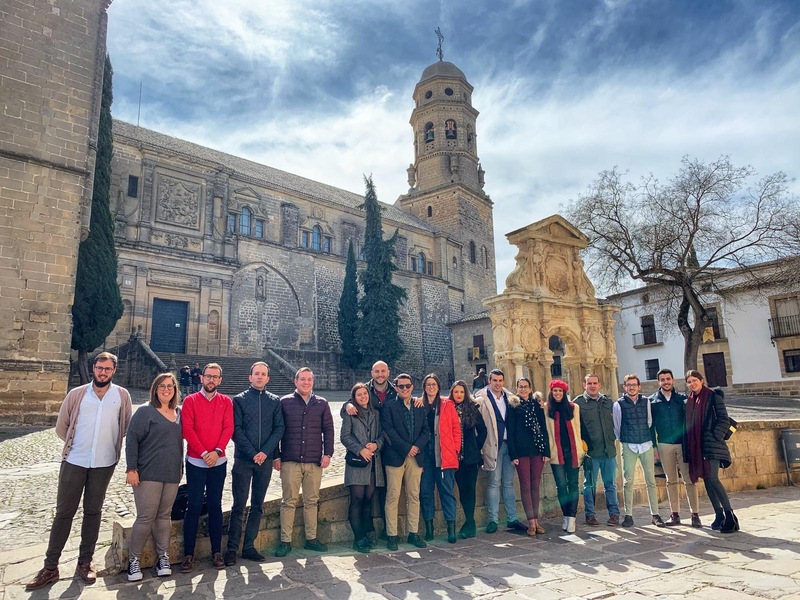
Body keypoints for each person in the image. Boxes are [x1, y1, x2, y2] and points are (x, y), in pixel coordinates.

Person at [26, 352, 133, 592]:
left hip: (104, 463)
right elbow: (62, 426)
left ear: (114, 371)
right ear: (93, 368)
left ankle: (85, 563)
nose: (102, 372)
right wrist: (79, 446)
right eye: (99, 367)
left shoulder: (122, 396)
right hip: (74, 461)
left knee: (93, 512)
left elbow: (125, 425)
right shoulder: (77, 394)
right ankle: (50, 567)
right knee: (64, 513)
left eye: (107, 368)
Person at [124, 373, 183, 581]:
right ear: (155, 389)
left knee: (164, 517)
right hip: (148, 473)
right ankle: (134, 561)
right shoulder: (145, 412)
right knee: (145, 517)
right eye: (162, 386)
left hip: (172, 474)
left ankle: (163, 557)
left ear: (175, 389)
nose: (166, 389)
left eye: (170, 386)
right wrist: (131, 468)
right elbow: (131, 440)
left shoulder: (179, 413)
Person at [225, 362, 285, 565]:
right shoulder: (239, 400)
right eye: (256, 374)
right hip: (243, 459)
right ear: (250, 377)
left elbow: (279, 429)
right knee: (239, 505)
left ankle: (249, 546)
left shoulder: (275, 401)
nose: (259, 377)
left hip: (265, 461)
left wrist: (265, 452)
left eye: (263, 374)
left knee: (258, 505)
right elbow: (236, 430)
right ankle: (232, 548)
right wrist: (253, 453)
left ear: (268, 378)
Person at [274, 367, 334, 557]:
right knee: (288, 502)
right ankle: (285, 541)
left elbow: (329, 430)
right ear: (295, 381)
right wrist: (276, 455)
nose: (306, 382)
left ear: (313, 382)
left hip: (314, 461)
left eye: (309, 379)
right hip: (290, 460)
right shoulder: (284, 402)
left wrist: (328, 454)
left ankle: (311, 539)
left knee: (311, 501)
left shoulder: (321, 403)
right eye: (302, 379)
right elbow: (276, 430)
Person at [180, 363, 233, 573]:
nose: (211, 380)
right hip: (195, 461)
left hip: (218, 462)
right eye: (208, 376)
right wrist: (203, 453)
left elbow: (228, 427)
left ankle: (216, 552)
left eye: (215, 377)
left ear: (220, 380)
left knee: (215, 505)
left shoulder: (226, 402)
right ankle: (188, 554)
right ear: (201, 378)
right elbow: (188, 429)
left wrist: (217, 452)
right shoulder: (191, 401)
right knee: (192, 506)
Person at [684, 369, 738, 533]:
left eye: (695, 380)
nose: (692, 384)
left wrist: (715, 436)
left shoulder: (713, 396)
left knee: (713, 479)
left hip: (712, 445)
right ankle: (719, 515)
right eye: (689, 382)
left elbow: (723, 419)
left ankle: (730, 516)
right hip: (699, 447)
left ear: (701, 380)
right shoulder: (691, 400)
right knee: (707, 480)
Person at [381, 373, 430, 550]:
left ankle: (413, 533)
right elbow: (389, 431)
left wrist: (416, 447)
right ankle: (392, 535)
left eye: (407, 386)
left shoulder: (419, 406)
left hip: (415, 457)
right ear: (395, 387)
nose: (404, 389)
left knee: (414, 496)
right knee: (393, 496)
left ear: (412, 387)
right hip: (395, 457)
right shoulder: (388, 406)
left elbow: (426, 430)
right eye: (401, 386)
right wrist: (406, 448)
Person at [475, 369, 526, 533]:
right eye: (495, 380)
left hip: (509, 445)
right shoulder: (481, 399)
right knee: (494, 482)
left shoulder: (510, 398)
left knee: (509, 483)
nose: (497, 383)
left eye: (500, 380)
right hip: (492, 445)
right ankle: (493, 520)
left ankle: (512, 518)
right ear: (489, 380)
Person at [649, 368, 701, 527]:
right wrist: (654, 446)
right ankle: (675, 514)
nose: (666, 382)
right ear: (659, 382)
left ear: (673, 380)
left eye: (668, 379)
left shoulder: (683, 399)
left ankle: (695, 514)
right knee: (670, 481)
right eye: (662, 379)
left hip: (683, 444)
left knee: (689, 479)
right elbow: (650, 426)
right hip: (664, 445)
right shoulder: (652, 401)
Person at [613, 374, 664, 528]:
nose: (632, 387)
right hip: (629, 445)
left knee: (651, 480)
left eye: (634, 384)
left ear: (639, 386)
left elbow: (649, 422)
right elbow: (617, 426)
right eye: (629, 385)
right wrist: (625, 441)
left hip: (646, 444)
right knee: (628, 481)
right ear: (624, 387)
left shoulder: (646, 401)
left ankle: (655, 514)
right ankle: (628, 515)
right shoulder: (618, 404)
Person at [340, 382, 384, 553]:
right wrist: (360, 450)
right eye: (359, 395)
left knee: (368, 499)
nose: (363, 397)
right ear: (354, 397)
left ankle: (366, 534)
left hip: (373, 463)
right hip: (357, 463)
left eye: (365, 394)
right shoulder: (350, 414)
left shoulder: (377, 414)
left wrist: (375, 445)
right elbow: (344, 437)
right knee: (357, 500)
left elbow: (382, 434)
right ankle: (358, 538)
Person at [419, 374, 461, 543]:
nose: (431, 387)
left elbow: (455, 429)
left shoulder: (447, 404)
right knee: (426, 492)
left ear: (438, 386)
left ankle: (451, 529)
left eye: (434, 384)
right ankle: (429, 528)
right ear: (424, 386)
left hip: (444, 455)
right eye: (428, 384)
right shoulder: (418, 404)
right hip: (425, 456)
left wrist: (455, 449)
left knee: (446, 492)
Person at [574, 373, 621, 527]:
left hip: (609, 451)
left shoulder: (608, 402)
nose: (592, 386)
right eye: (589, 383)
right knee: (589, 485)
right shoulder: (578, 404)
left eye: (595, 383)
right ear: (584, 385)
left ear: (599, 385)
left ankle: (614, 514)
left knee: (610, 484)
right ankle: (590, 514)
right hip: (590, 453)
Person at [507, 378, 550, 536]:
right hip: (521, 451)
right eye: (520, 387)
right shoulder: (513, 405)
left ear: (531, 388)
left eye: (526, 387)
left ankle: (536, 520)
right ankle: (531, 522)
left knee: (535, 486)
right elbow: (510, 430)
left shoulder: (537, 404)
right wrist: (513, 454)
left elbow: (543, 427)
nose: (523, 389)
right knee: (525, 486)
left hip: (537, 449)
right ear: (517, 388)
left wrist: (546, 451)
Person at [545, 379, 585, 533]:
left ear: (564, 393)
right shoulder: (546, 409)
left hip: (573, 452)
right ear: (551, 392)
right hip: (557, 453)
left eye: (560, 391)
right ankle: (566, 516)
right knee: (561, 486)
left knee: (573, 485)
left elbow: (580, 429)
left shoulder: (574, 408)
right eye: (555, 391)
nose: (557, 393)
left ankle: (572, 518)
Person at [450, 380, 487, 538]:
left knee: (470, 490)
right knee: (462, 490)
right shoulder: (448, 408)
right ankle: (469, 523)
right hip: (455, 458)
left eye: (461, 392)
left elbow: (483, 431)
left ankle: (470, 522)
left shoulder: (472, 409)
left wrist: (475, 446)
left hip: (471, 458)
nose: (459, 395)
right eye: (456, 392)